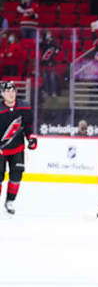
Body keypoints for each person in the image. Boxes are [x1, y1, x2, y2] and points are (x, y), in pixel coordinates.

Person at [0, 81, 37, 215]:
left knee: (16, 176)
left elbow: (28, 126)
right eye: (7, 91)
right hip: (1, 150)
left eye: (13, 91)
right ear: (2, 94)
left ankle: (9, 201)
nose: (11, 94)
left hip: (17, 149)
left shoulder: (24, 107)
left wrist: (31, 138)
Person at [40, 31, 60, 97]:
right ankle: (46, 91)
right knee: (45, 78)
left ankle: (53, 92)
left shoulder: (54, 43)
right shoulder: (44, 43)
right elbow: (42, 50)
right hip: (44, 63)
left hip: (52, 64)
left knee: (52, 78)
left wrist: (52, 42)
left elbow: (57, 51)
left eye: (49, 34)